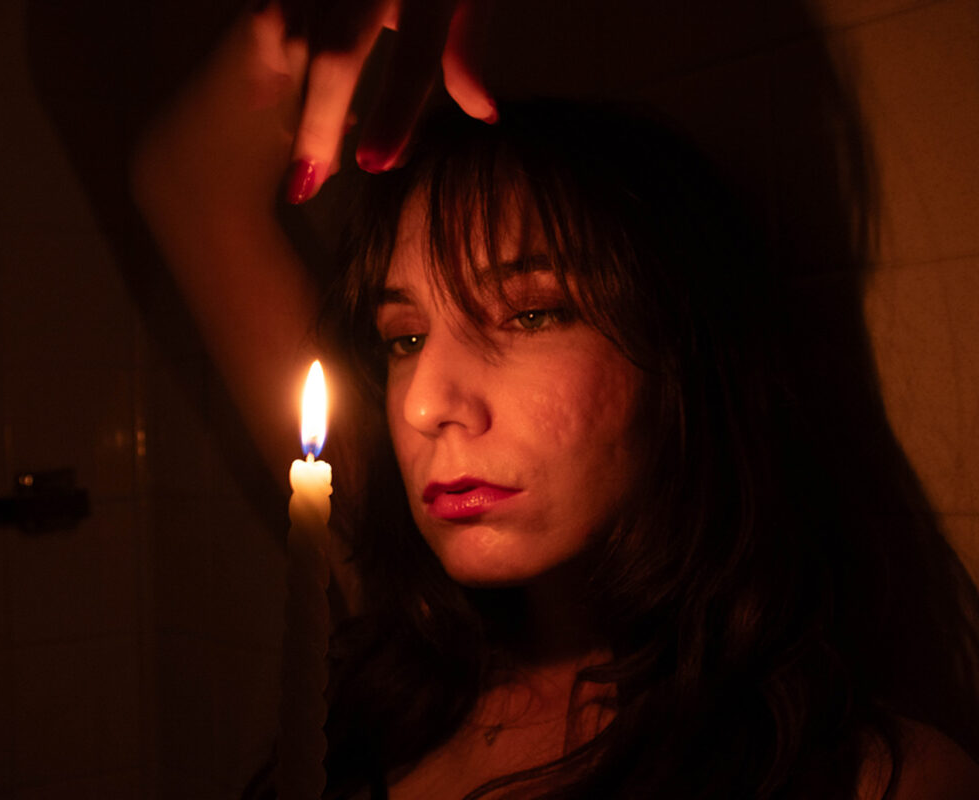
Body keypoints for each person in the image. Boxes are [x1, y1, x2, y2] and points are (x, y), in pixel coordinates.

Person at [133, 3, 979, 797]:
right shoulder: (398, 627)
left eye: (530, 313)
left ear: (680, 355)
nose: (428, 402)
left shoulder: (871, 779)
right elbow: (188, 181)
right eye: (405, 338)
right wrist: (292, 20)